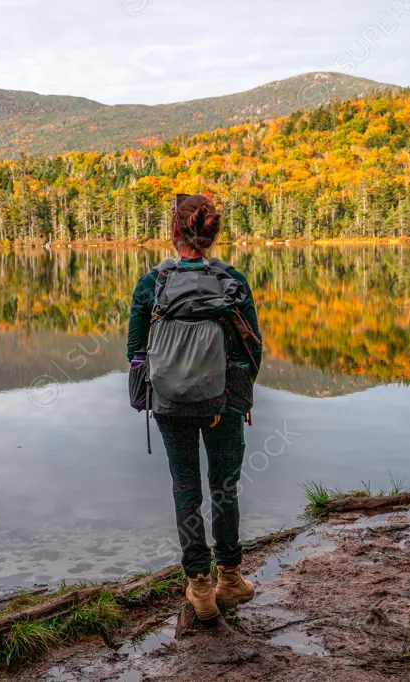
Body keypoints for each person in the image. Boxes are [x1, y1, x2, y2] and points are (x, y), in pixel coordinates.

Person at [127, 194, 262, 620]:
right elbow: (250, 352)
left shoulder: (153, 283)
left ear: (174, 233)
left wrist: (159, 388)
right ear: (211, 234)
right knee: (223, 486)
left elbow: (135, 354)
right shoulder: (230, 280)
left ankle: (199, 588)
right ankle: (230, 579)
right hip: (222, 403)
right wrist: (237, 398)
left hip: (170, 405)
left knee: (185, 488)